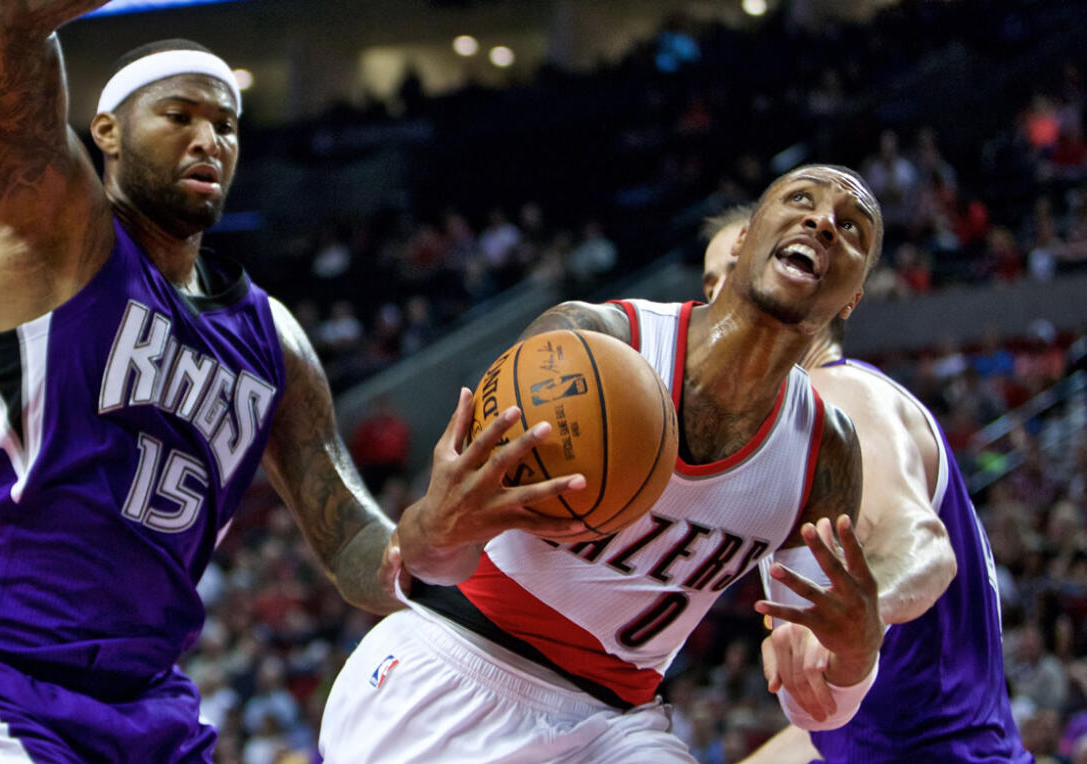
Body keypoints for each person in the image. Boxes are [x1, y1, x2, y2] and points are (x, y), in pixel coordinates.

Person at [0, 3, 581, 760]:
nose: (208, 138)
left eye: (228, 124)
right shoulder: (55, 238)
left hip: (150, 709)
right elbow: (2, 28)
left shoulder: (273, 338)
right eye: (177, 114)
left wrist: (428, 540)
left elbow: (349, 543)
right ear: (105, 131)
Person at [320, 164, 889, 762]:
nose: (823, 222)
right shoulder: (590, 340)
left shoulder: (826, 451)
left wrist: (855, 657)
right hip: (459, 664)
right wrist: (436, 527)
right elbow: (425, 556)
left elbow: (815, 708)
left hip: (616, 723)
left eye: (852, 228)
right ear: (744, 239)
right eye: (801, 198)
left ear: (852, 297)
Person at [702, 207, 1031, 762]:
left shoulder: (841, 397)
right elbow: (837, 728)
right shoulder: (795, 430)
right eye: (709, 284)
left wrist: (857, 616)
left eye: (738, 266)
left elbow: (922, 546)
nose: (719, 297)